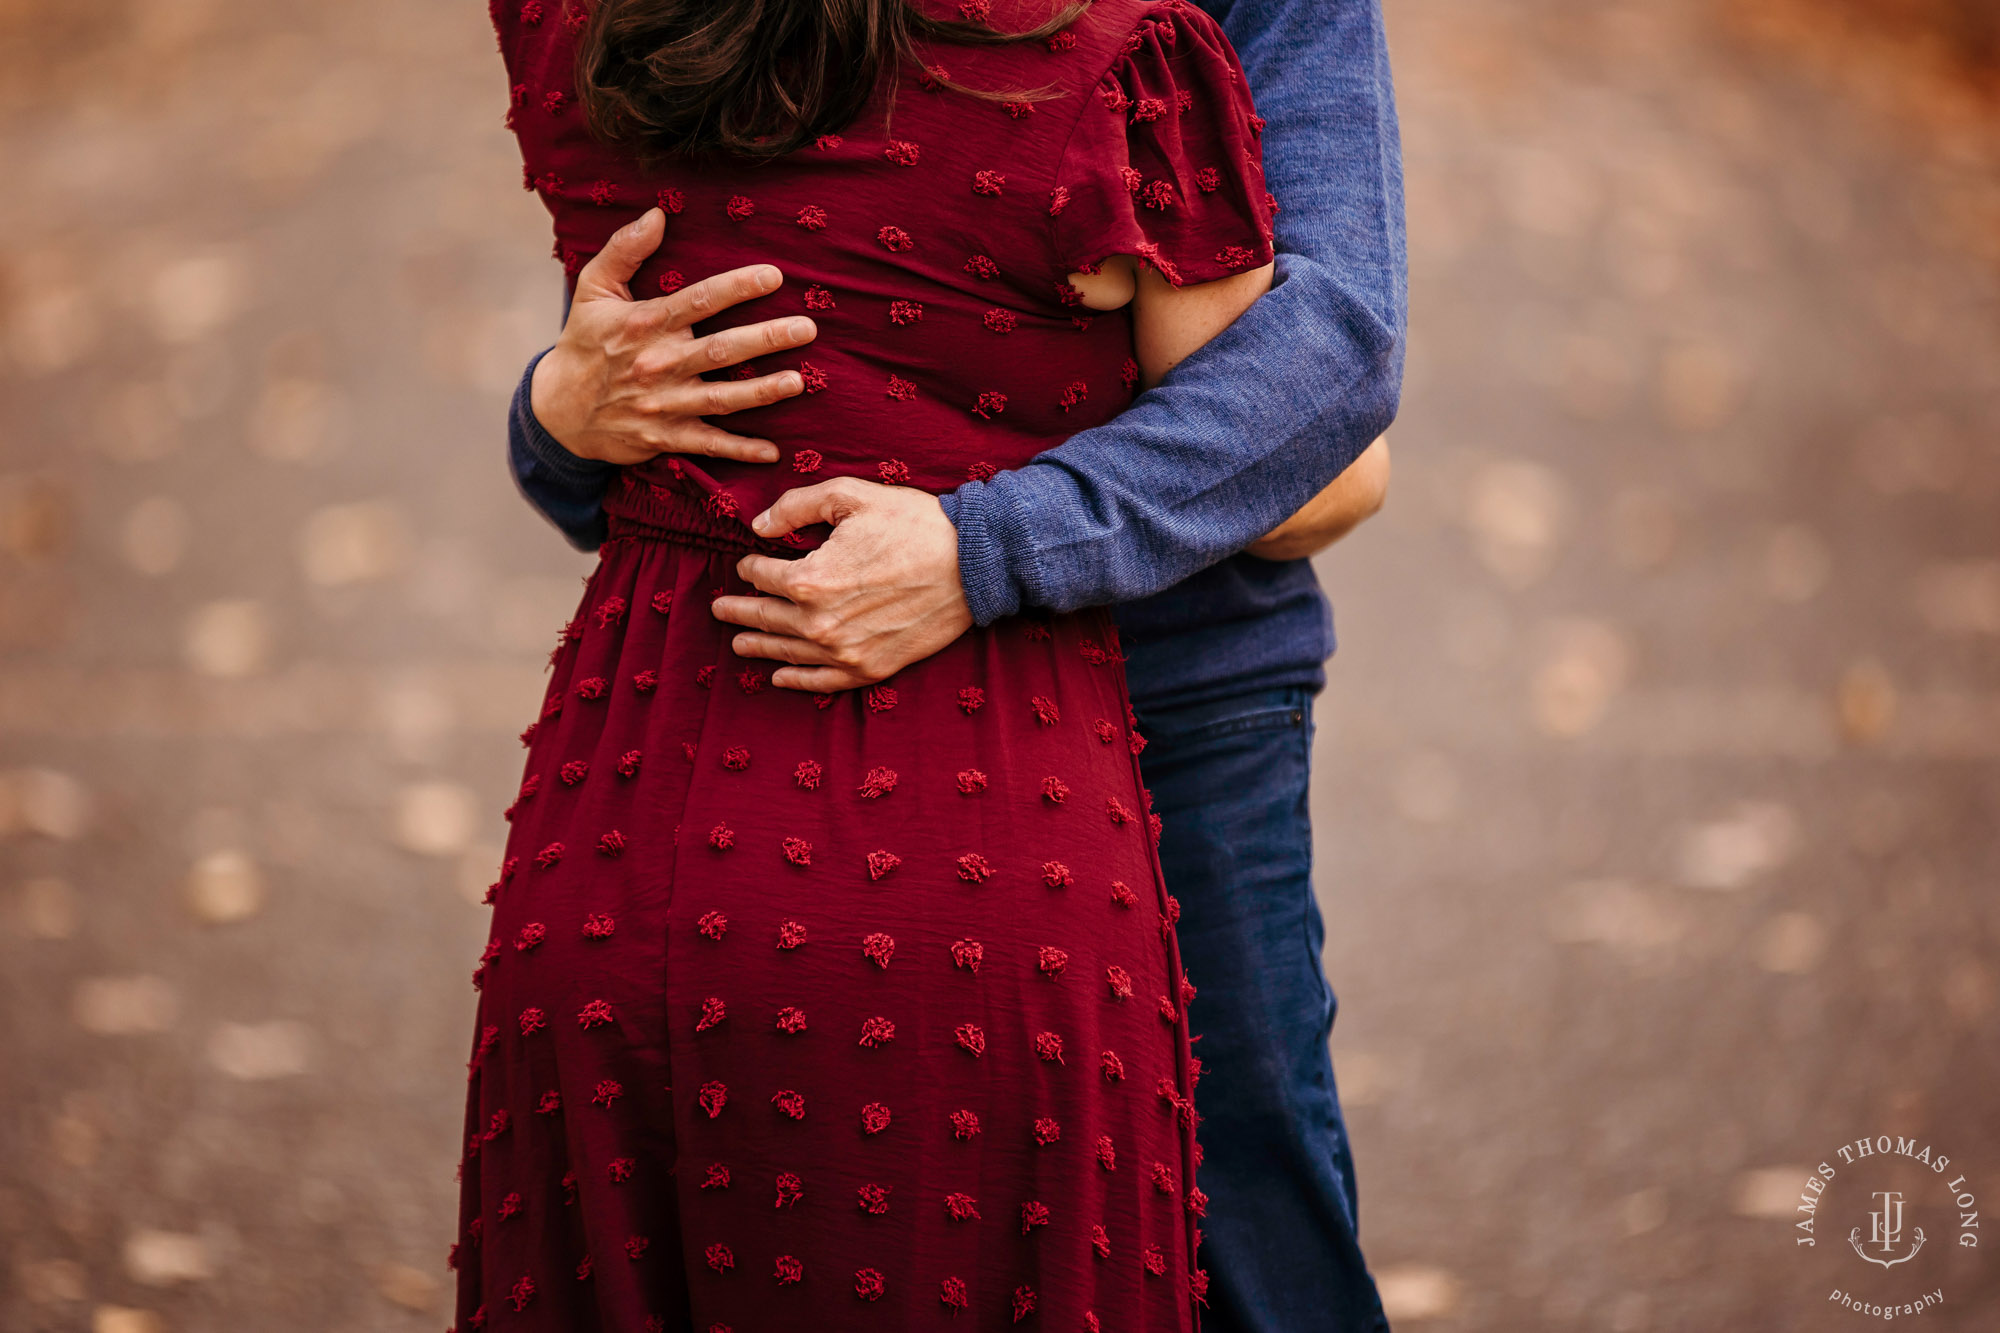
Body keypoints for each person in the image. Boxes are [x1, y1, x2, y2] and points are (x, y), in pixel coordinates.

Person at [459, 1, 1389, 1329]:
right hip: (783, 720)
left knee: (1248, 1234)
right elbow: (676, 381)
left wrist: (983, 544)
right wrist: (557, 413)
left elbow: (1325, 375)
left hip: (1167, 689)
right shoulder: (1112, 70)